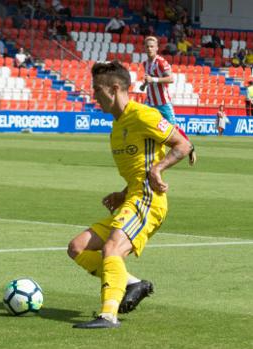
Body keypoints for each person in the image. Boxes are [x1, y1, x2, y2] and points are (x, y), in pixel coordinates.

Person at [68, 61, 193, 329]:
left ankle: (108, 314)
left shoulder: (142, 115)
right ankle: (132, 283)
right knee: (77, 247)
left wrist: (159, 169)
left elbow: (183, 144)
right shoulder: (117, 126)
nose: (94, 96)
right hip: (133, 197)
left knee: (112, 247)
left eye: (97, 90)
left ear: (114, 89)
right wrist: (122, 192)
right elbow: (140, 167)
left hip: (149, 199)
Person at [142, 36, 196, 165]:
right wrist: (145, 84)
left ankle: (189, 147)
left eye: (152, 46)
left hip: (163, 103)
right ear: (144, 48)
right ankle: (148, 156)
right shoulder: (145, 63)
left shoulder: (161, 62)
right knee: (144, 126)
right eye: (147, 46)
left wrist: (153, 80)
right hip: (150, 102)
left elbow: (171, 79)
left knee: (173, 129)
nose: (149, 49)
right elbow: (150, 79)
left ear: (156, 48)